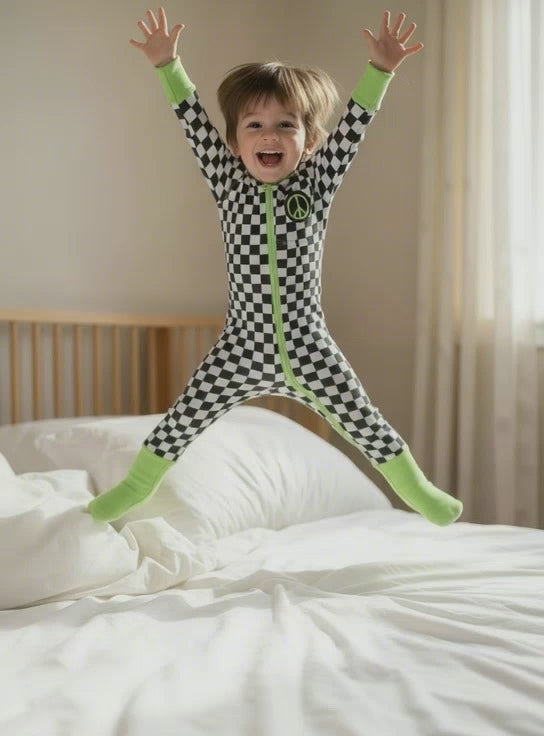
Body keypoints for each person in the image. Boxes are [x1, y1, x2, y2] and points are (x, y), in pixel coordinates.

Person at [88, 6, 463, 526]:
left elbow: (354, 127)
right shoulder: (227, 181)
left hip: (310, 345)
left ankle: (417, 489)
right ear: (235, 141)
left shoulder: (317, 183)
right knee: (182, 420)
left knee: (364, 419)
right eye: (255, 125)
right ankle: (135, 485)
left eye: (286, 125)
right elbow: (192, 120)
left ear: (310, 142)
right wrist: (167, 66)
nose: (270, 135)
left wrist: (380, 71)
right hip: (241, 346)